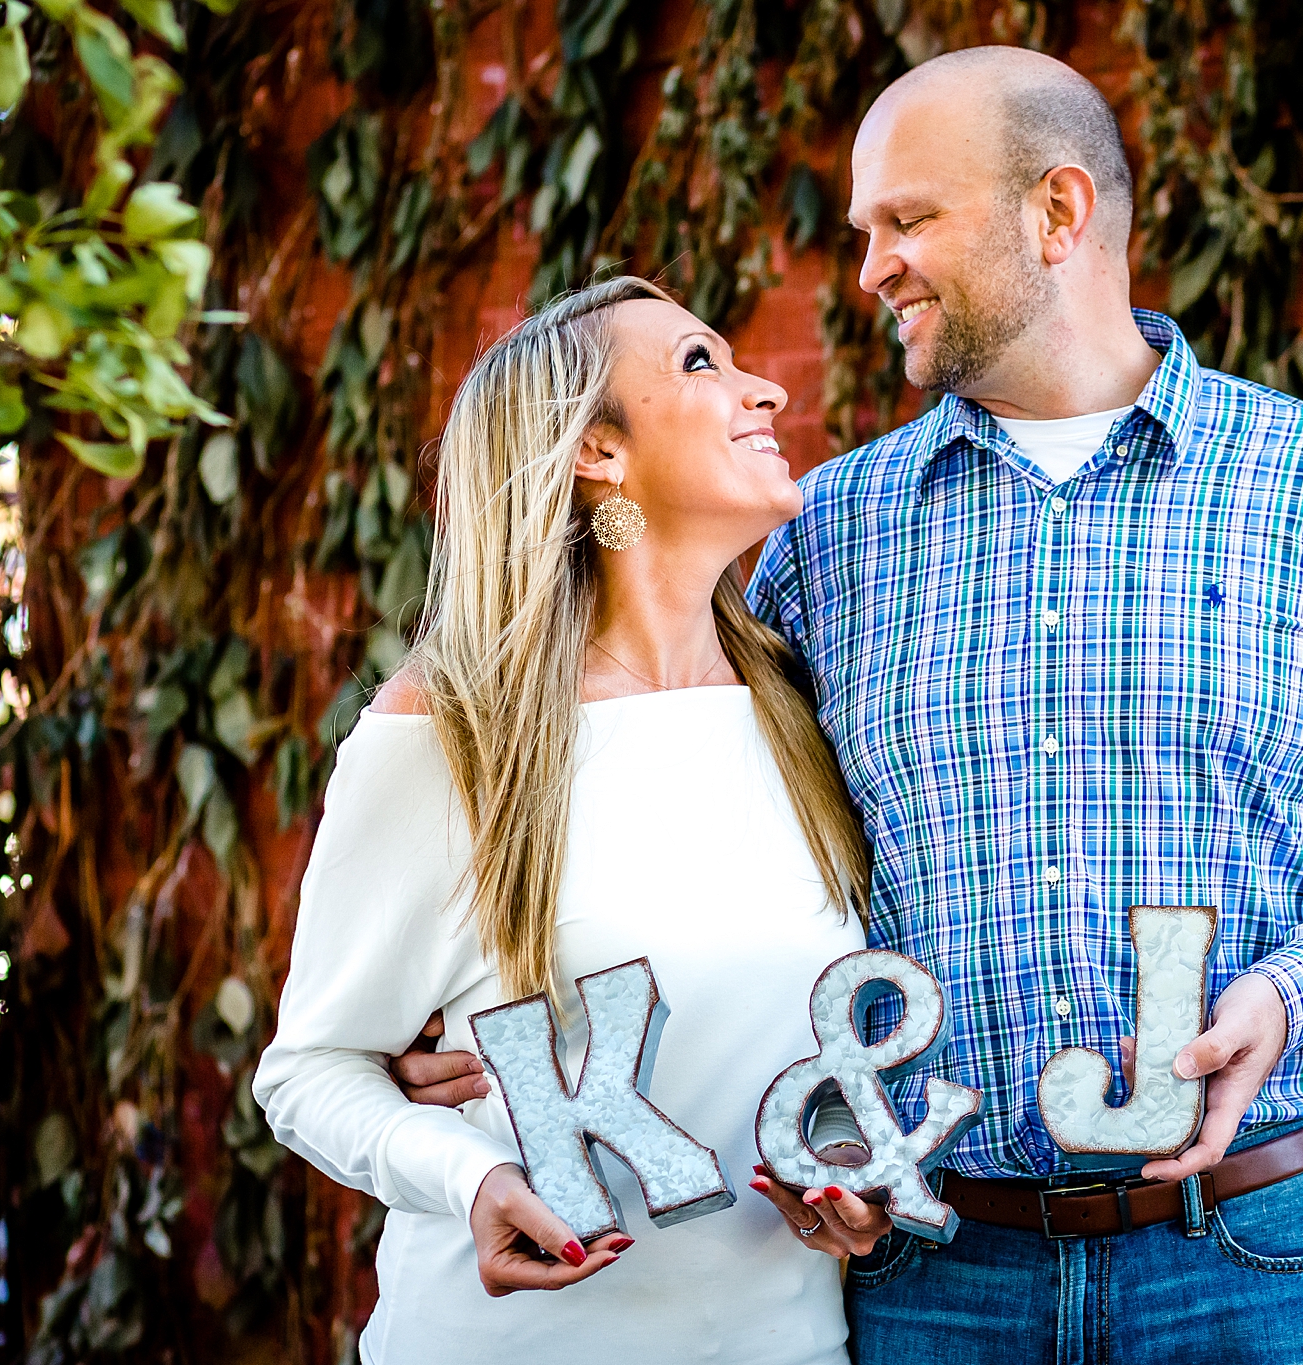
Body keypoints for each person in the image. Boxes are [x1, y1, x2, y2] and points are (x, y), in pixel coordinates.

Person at [392, 45, 1303, 1365]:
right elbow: (698, 825)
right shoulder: (825, 536)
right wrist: (464, 1000)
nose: (872, 264)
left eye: (907, 219)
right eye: (864, 233)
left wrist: (1292, 994)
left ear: (1058, 213)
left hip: (1253, 1253)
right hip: (939, 1277)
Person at [253, 276, 894, 1365]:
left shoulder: (805, 701)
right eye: (702, 365)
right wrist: (473, 1176)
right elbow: (309, 1070)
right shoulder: (453, 730)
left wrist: (854, 1186)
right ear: (597, 450)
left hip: (783, 1343)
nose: (766, 393)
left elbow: (804, 1042)